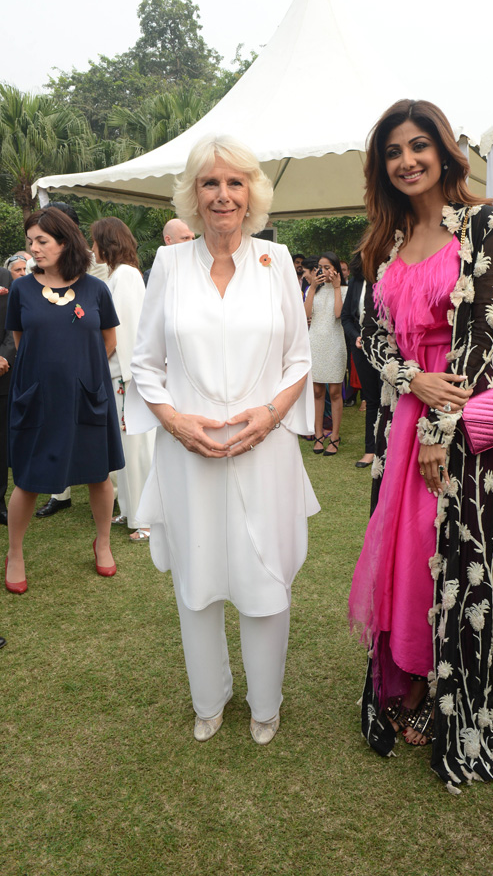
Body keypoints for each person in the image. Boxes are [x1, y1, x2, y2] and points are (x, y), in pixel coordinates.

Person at [348, 99, 493, 790]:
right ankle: (414, 684)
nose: (406, 160)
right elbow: (371, 336)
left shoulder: (486, 223)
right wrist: (409, 379)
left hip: (455, 433)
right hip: (402, 425)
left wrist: (437, 428)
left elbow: (482, 346)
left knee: (450, 560)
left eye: (418, 145)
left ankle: (455, 698)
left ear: (445, 149)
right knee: (403, 557)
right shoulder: (389, 239)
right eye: (393, 151)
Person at [126, 135, 319, 745]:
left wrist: (268, 416)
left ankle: (267, 703)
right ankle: (209, 698)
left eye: (235, 183)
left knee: (265, 578)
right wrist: (177, 424)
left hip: (266, 449)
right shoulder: (168, 265)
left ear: (253, 193)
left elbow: (298, 358)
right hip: (190, 453)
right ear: (193, 193)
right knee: (198, 577)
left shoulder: (278, 262)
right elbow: (145, 363)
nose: (223, 195)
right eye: (210, 183)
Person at [5, 208, 124, 594]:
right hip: (39, 399)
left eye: (41, 241)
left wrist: (81, 372)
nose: (33, 249)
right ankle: (15, 553)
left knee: (98, 475)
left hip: (87, 395)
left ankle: (102, 542)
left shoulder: (95, 289)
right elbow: (23, 343)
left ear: (65, 241)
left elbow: (109, 340)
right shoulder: (21, 289)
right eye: (30, 242)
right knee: (27, 480)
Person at [35, 202, 110, 518]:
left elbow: (104, 322)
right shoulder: (35, 268)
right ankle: (59, 493)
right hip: (51, 365)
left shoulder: (97, 267)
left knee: (95, 434)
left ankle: (111, 495)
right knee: (54, 429)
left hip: (88, 361)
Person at [91, 217, 154, 542]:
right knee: (124, 449)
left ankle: (146, 520)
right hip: (121, 375)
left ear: (107, 244)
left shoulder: (126, 276)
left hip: (126, 378)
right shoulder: (119, 275)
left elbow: (121, 332)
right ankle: (130, 509)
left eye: (95, 242)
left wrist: (112, 372)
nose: (92, 249)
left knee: (137, 447)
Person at [341, 253, 381, 469]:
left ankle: (390, 450)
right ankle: (370, 450)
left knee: (389, 401)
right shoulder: (356, 280)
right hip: (361, 348)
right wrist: (356, 336)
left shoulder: (389, 276)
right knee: (371, 399)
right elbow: (346, 317)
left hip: (388, 349)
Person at [305, 252, 347, 456]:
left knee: (335, 392)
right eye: (320, 267)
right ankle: (319, 434)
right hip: (315, 342)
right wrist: (312, 287)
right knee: (317, 392)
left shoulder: (344, 290)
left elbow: (339, 314)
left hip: (335, 342)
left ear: (336, 269)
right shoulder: (313, 290)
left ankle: (336, 436)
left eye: (327, 267)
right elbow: (305, 315)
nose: (323, 271)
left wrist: (337, 287)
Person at [0, 266, 16, 525]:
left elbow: (14, 326)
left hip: (1, 375)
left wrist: (3, 356)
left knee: (1, 442)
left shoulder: (4, 276)